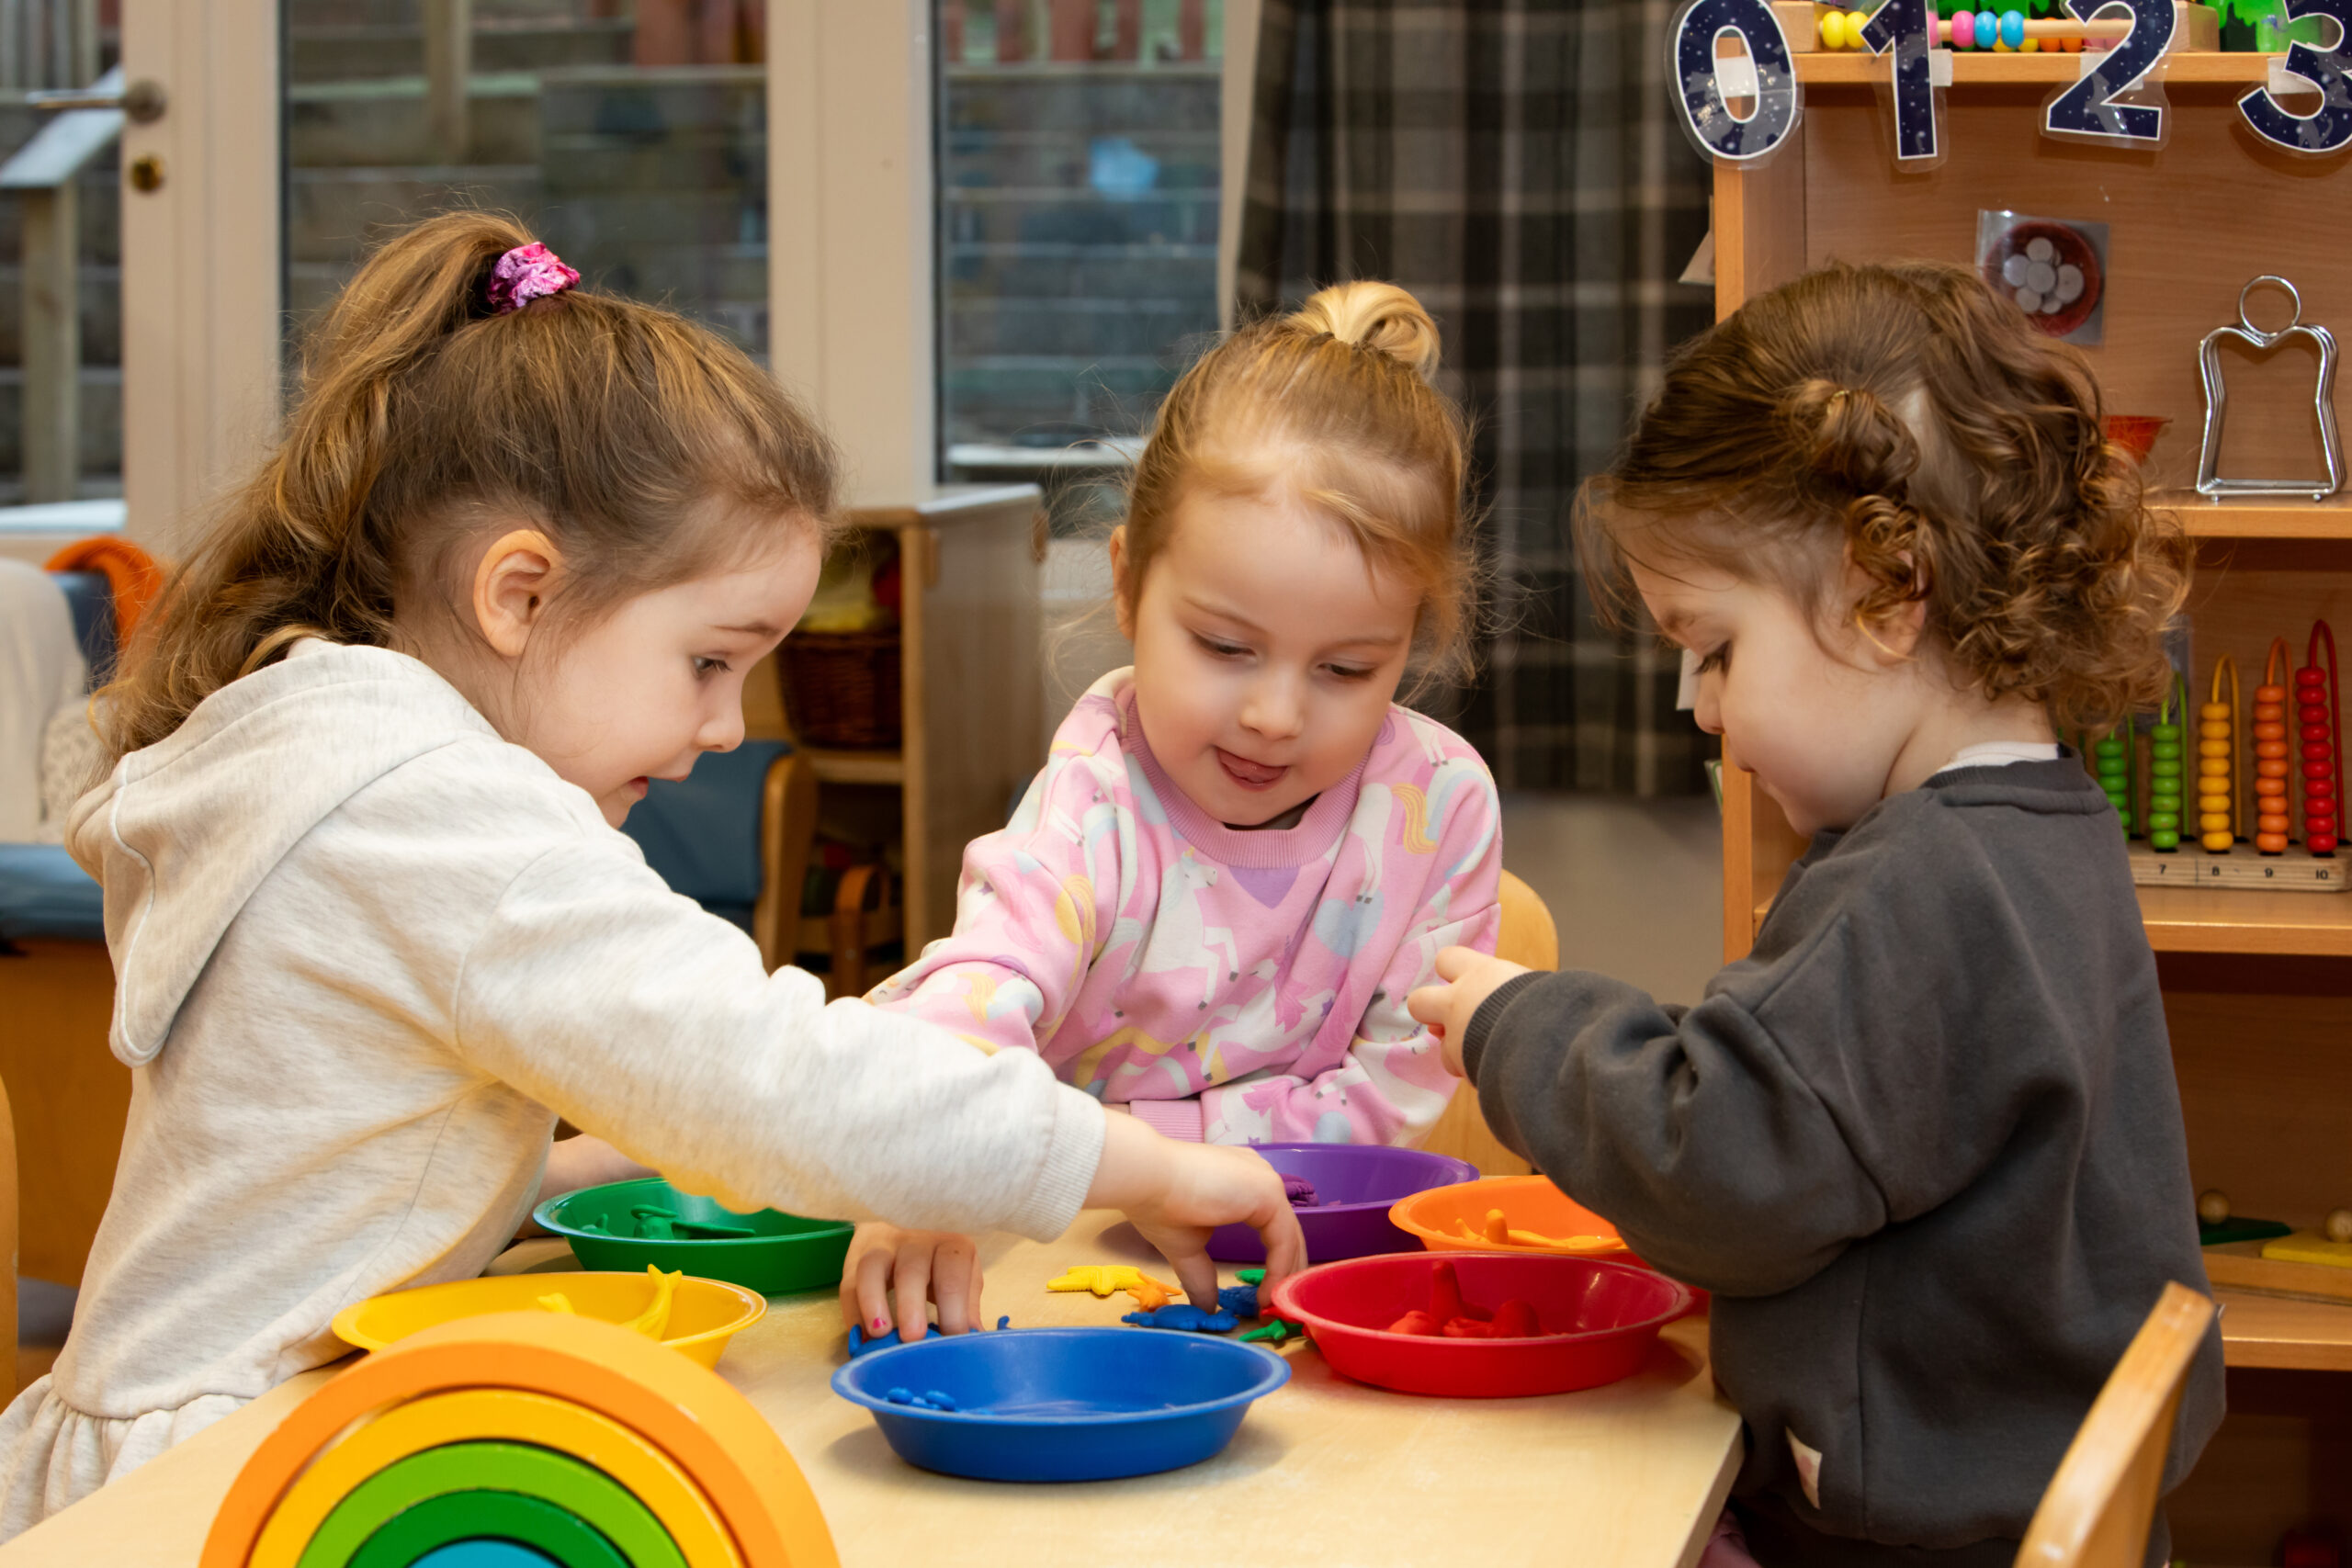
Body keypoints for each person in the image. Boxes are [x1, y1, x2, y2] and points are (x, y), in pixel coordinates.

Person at [0, 213, 1301, 1538]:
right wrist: (1137, 1164)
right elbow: (763, 1073)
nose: (729, 725)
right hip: (218, 1488)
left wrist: (593, 1155)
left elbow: (349, 1164)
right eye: (708, 662)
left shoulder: (329, 753)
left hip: (199, 1445)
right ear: (520, 595)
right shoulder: (434, 808)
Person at [1408, 261, 2222, 1567]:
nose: (1698, 706)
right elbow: (1809, 1097)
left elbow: (1719, 1165)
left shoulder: (1920, 881)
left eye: (1716, 648)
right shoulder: (2047, 828)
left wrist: (1514, 1025)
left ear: (1887, 593)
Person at [848, 282, 1501, 1326]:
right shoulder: (1093, 797)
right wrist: (931, 1169)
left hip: (1278, 1253)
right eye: (1226, 647)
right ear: (1126, 584)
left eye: (1345, 669)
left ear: (1410, 641)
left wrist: (1120, 1145)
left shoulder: (1441, 806)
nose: (1275, 716)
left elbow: (1384, 1107)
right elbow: (975, 994)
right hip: (1048, 1245)